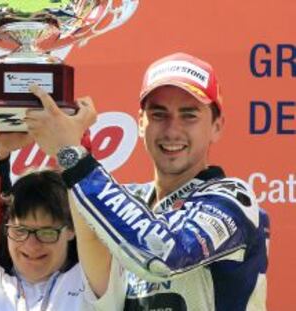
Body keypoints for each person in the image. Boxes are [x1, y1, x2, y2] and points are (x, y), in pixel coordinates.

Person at [25, 52, 270, 311]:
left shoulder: (234, 201)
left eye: (189, 115)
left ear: (217, 126)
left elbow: (163, 253)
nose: (172, 130)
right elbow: (92, 278)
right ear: (141, 122)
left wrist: (73, 156)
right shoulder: (128, 201)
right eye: (159, 114)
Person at [0, 101, 109, 311]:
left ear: (70, 230)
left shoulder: (89, 283)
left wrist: (72, 143)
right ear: (6, 229)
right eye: (21, 231)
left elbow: (92, 233)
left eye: (46, 233)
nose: (32, 246)